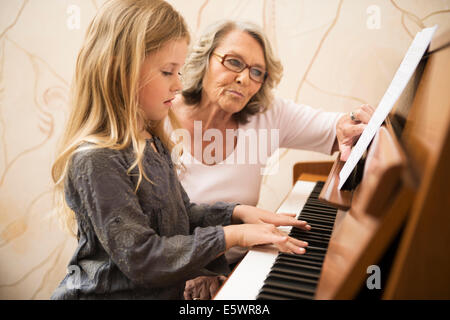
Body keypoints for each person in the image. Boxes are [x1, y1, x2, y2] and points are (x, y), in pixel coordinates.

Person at [50, 0, 310, 300]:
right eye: (167, 72)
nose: (178, 84)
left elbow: (181, 215)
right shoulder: (96, 159)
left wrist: (237, 214)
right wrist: (231, 236)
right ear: (123, 69)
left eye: (179, 71)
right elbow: (142, 257)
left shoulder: (152, 140)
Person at [165, 20, 374, 294]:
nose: (244, 79)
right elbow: (143, 230)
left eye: (257, 72)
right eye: (233, 62)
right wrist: (197, 268)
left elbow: (336, 128)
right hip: (170, 274)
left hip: (233, 268)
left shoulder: (265, 114)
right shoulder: (162, 115)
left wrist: (358, 120)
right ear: (205, 59)